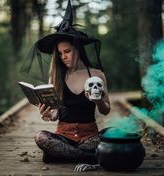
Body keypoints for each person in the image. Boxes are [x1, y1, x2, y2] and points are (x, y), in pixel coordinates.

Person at [30, 0, 111, 163]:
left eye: (67, 51)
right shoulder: (56, 77)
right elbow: (54, 114)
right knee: (41, 137)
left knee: (112, 133)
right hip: (63, 137)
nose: (63, 57)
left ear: (78, 49)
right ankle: (91, 157)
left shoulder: (96, 74)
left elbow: (106, 110)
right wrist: (46, 114)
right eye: (60, 54)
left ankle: (61, 154)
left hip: (90, 137)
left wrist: (100, 101)